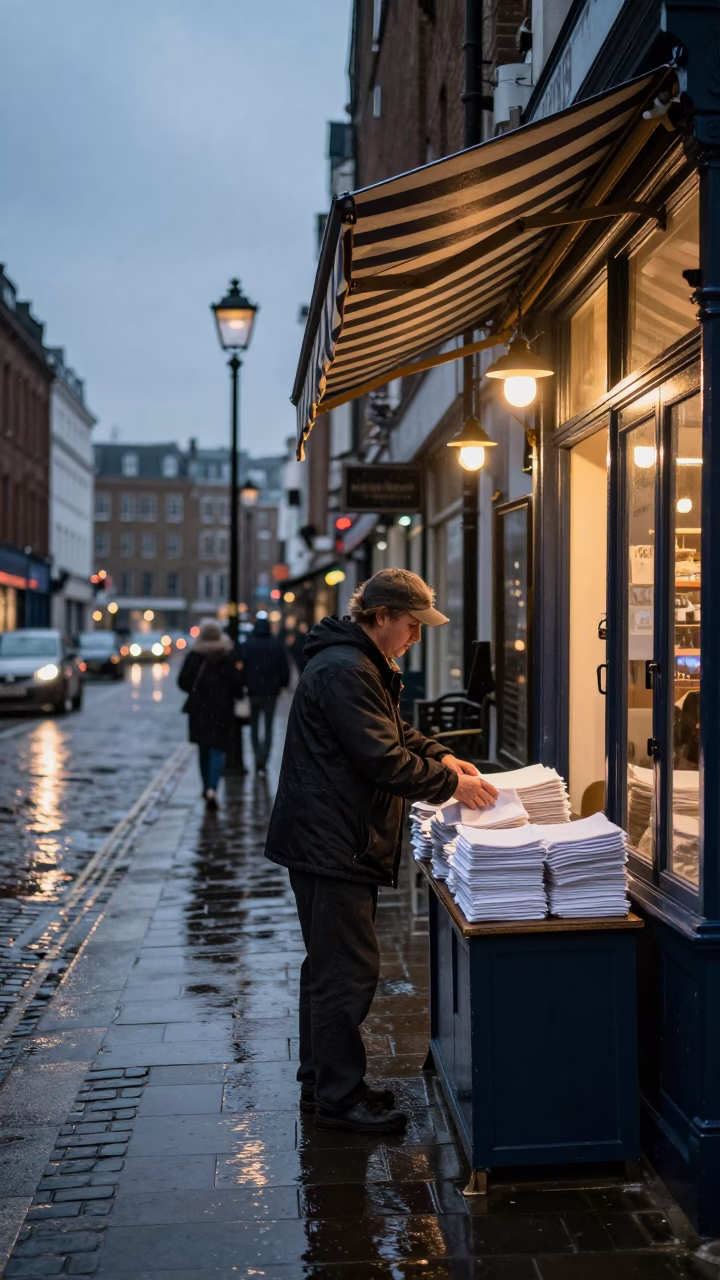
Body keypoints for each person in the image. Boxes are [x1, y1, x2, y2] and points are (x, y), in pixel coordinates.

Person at [264, 568, 498, 1134]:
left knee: (329, 966)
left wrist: (441, 756)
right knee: (347, 970)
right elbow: (381, 758)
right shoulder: (347, 669)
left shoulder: (358, 662)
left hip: (331, 835)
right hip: (333, 839)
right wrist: (452, 786)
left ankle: (323, 1081)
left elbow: (394, 733)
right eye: (412, 626)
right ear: (380, 617)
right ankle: (338, 1100)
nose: (416, 637)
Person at [178, 619, 245, 808]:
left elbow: (183, 682)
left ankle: (206, 785)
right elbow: (237, 684)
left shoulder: (194, 655)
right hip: (222, 710)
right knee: (218, 748)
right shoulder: (227, 655)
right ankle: (213, 788)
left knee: (203, 749)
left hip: (199, 710)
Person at [240, 615, 290, 775]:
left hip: (253, 691)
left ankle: (257, 755)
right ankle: (264, 758)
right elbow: (284, 667)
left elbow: (243, 666)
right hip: (271, 691)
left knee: (254, 726)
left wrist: (244, 684)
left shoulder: (249, 644)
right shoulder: (276, 644)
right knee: (268, 726)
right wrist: (283, 683)